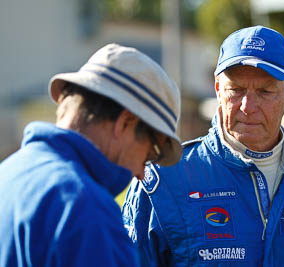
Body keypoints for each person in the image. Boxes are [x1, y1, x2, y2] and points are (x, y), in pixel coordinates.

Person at [122, 26, 284, 266]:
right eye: (236, 90)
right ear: (218, 89)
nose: (247, 107)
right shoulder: (162, 177)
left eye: (265, 91)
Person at [0, 43, 182, 266]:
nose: (141, 174)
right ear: (125, 122)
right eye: (149, 155)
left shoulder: (9, 173)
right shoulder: (86, 209)